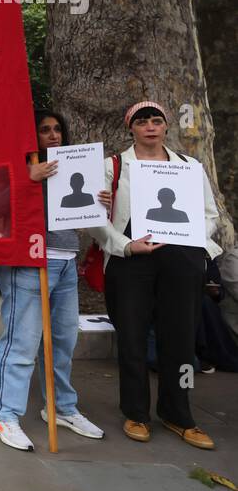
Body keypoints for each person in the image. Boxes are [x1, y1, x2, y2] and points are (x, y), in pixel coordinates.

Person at [89, 101, 223, 450]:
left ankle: (178, 414)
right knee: (132, 339)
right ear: (130, 128)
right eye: (142, 121)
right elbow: (92, 216)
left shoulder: (189, 167)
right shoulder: (113, 166)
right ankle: (135, 412)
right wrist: (124, 245)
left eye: (156, 120)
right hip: (131, 259)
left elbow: (211, 215)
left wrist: (193, 239)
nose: (150, 126)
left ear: (166, 127)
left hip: (181, 259)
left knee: (180, 339)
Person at [0, 110, 104, 451]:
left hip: (66, 262)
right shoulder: (16, 165)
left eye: (57, 130)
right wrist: (28, 177)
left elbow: (81, 217)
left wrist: (99, 206)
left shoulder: (72, 167)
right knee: (21, 342)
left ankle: (62, 407)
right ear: (30, 135)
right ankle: (4, 414)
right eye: (44, 130)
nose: (53, 135)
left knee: (63, 342)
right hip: (29, 261)